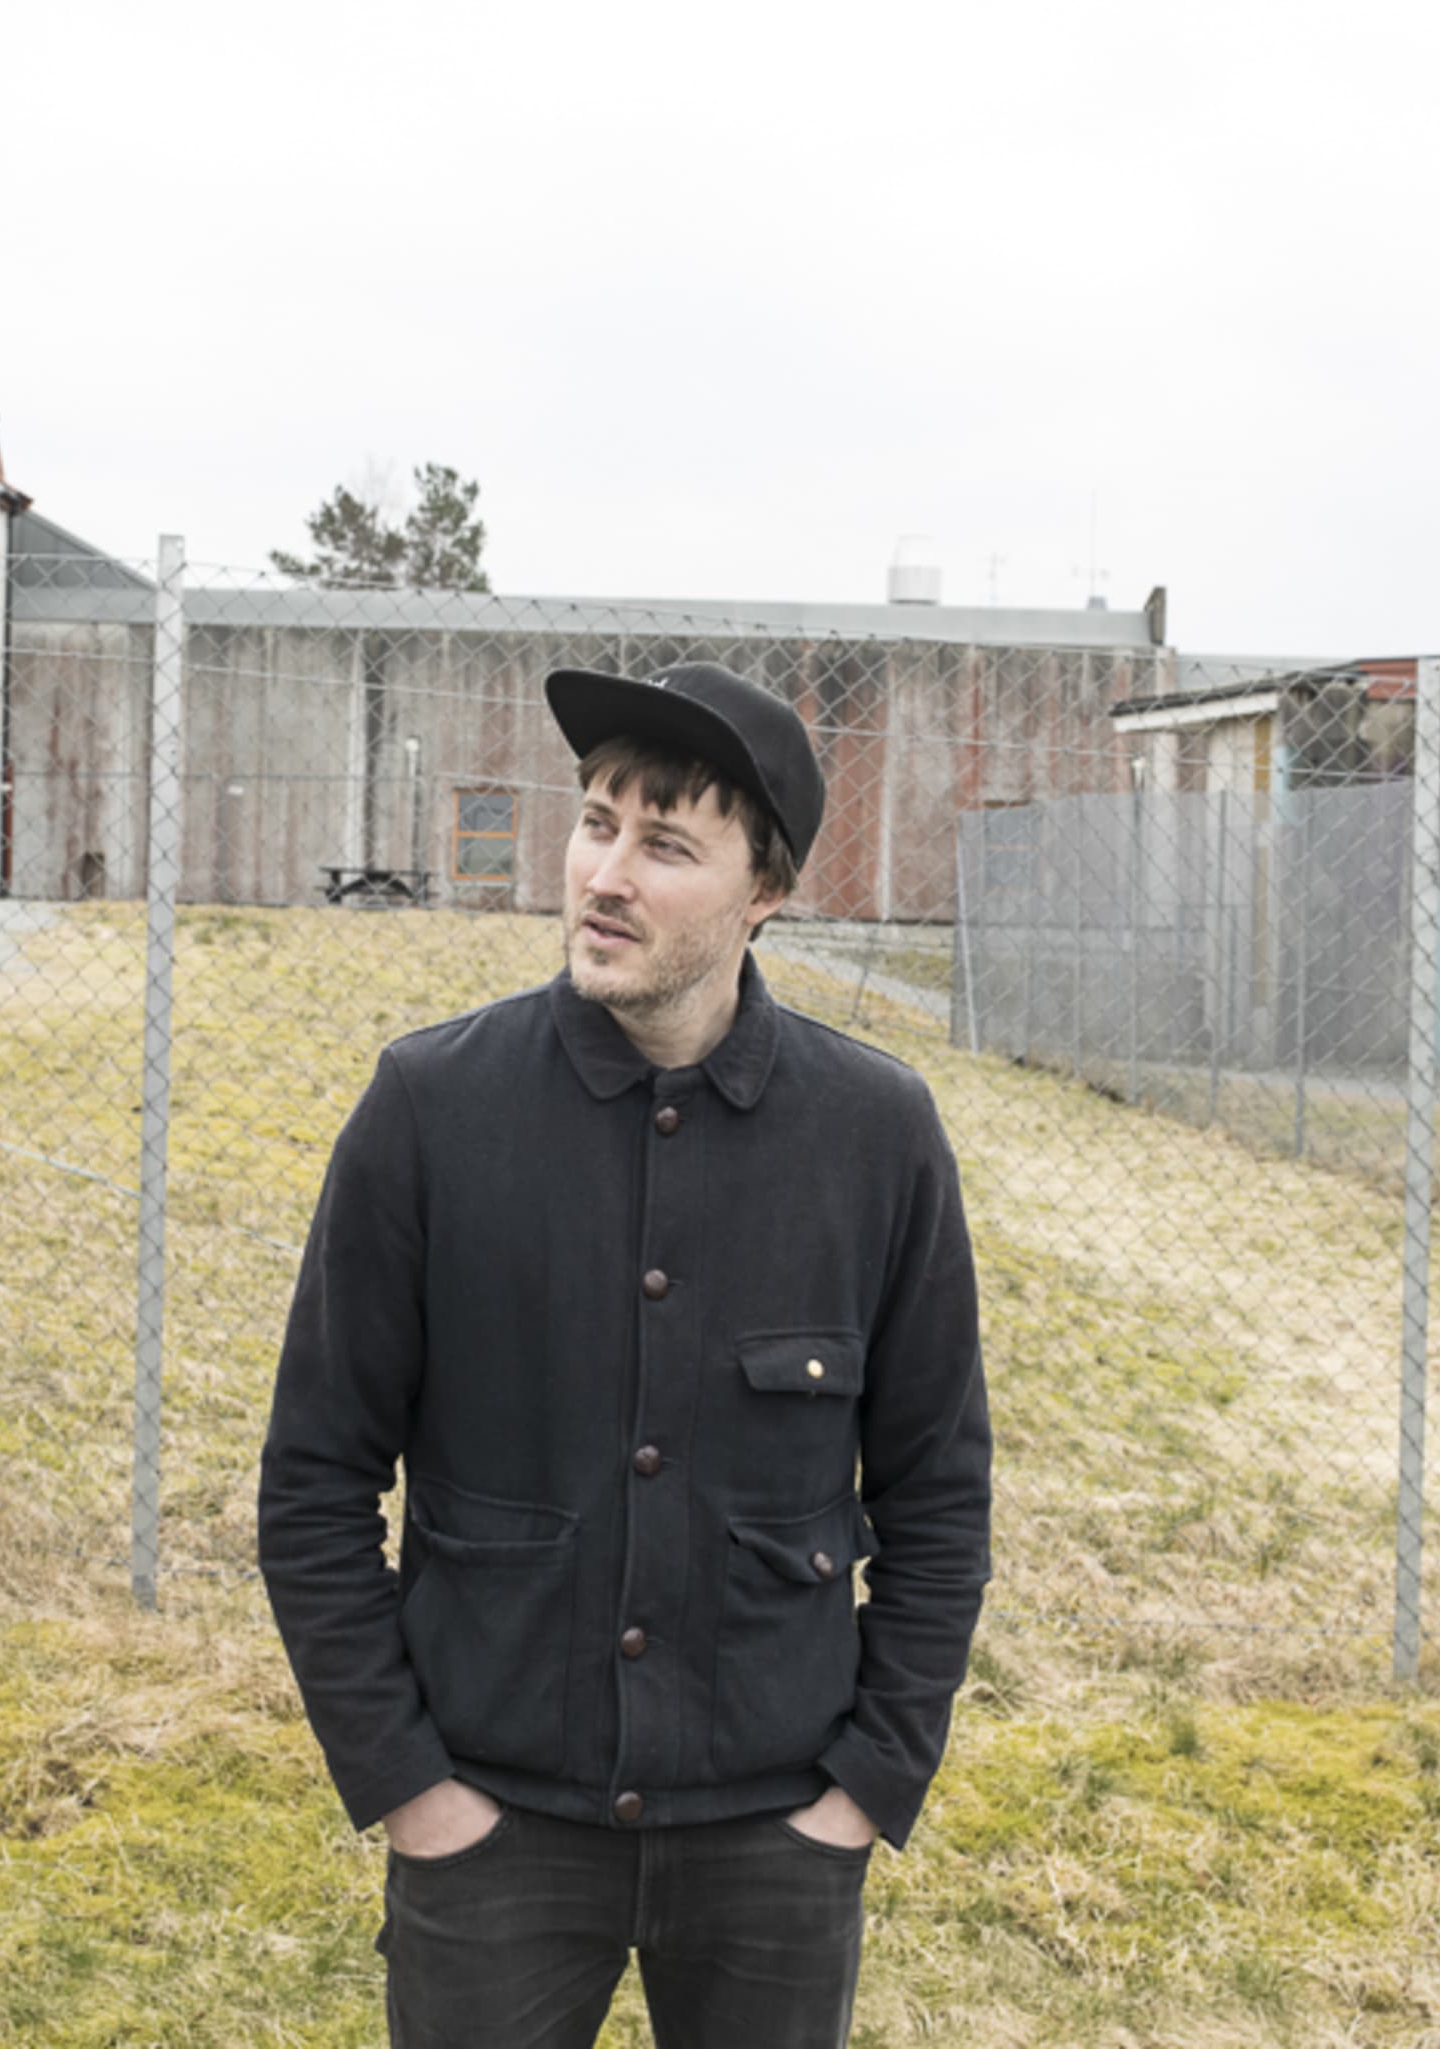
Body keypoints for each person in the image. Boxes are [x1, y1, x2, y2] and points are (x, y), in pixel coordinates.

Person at [257, 660, 992, 2048]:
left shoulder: (876, 1137)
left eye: (666, 845)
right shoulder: (430, 1111)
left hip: (777, 1838)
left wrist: (864, 1793)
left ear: (764, 891)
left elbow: (940, 1495)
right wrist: (413, 1786)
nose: (606, 872)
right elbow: (311, 1485)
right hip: (495, 1826)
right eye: (597, 821)